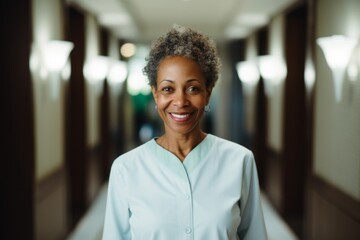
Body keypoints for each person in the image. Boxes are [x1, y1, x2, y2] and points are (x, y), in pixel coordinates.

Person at [102, 24, 267, 240]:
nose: (180, 101)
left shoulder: (240, 161)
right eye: (168, 89)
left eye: (193, 88)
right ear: (155, 95)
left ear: (208, 93)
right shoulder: (126, 169)